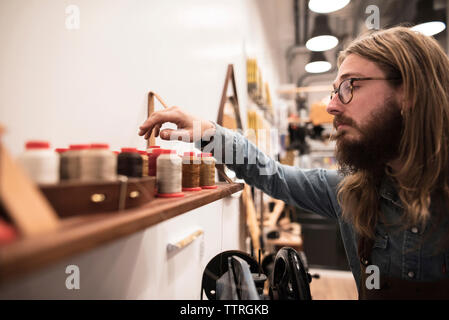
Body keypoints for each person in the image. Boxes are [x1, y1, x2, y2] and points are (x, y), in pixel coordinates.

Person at [139, 26, 449, 299]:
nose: (330, 106)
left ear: (409, 91)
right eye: (333, 91)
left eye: (349, 86)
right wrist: (208, 133)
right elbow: (273, 175)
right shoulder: (352, 193)